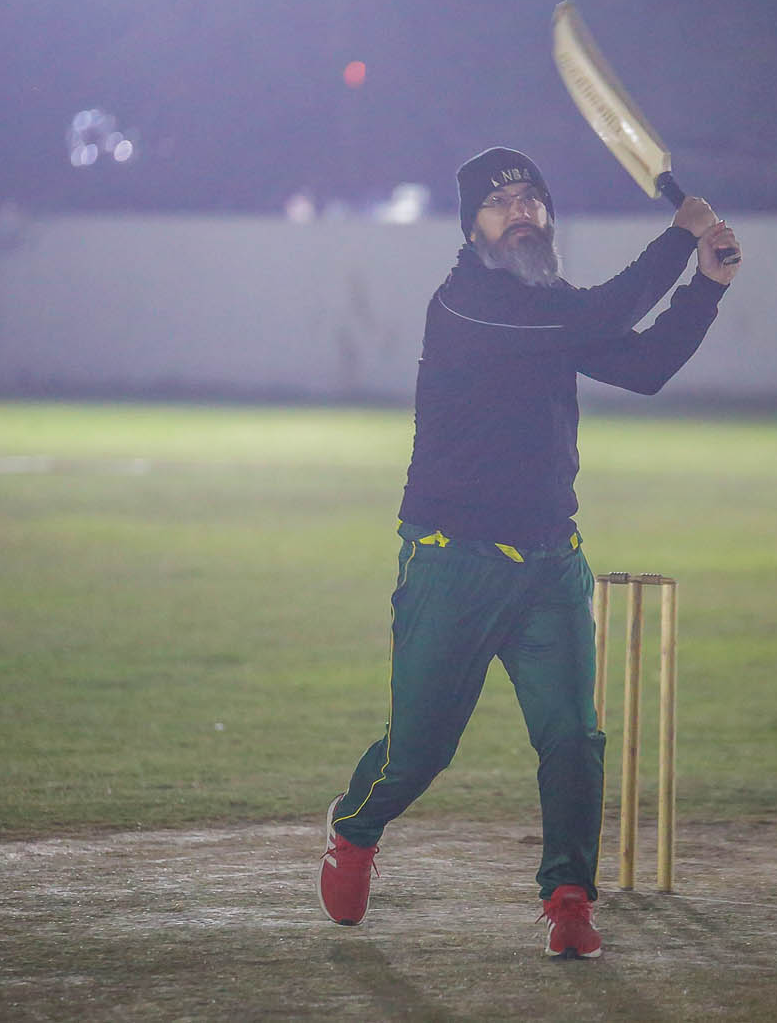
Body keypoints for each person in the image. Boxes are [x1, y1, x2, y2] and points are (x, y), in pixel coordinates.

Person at [317, 147, 740, 958]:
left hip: (551, 561)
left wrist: (706, 290)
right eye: (498, 200)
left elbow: (644, 366)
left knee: (573, 738)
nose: (519, 209)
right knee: (419, 751)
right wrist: (681, 235)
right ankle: (355, 828)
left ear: (547, 215)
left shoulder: (550, 308)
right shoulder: (468, 303)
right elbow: (606, 313)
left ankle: (569, 897)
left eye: (531, 197)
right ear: (471, 226)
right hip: (452, 561)